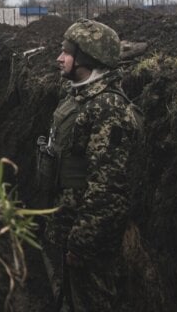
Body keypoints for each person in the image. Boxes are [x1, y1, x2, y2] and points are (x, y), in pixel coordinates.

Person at [38, 19, 142, 311]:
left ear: (86, 58)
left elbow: (109, 188)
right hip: (68, 226)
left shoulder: (108, 109)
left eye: (67, 52)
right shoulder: (79, 98)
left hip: (88, 240)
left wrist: (82, 242)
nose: (59, 58)